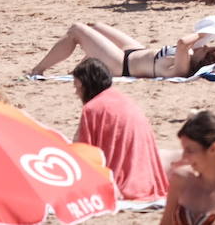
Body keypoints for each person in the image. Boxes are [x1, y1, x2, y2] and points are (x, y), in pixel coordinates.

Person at [71, 58, 169, 201]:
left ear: (84, 85)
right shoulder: (122, 99)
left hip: (123, 183)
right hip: (146, 177)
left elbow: (84, 152)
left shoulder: (93, 108)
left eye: (77, 86)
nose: (76, 93)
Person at [31, 16, 215, 77]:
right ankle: (80, 69)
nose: (208, 45)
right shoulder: (201, 53)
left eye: (208, 45)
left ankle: (37, 69)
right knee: (94, 26)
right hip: (135, 51)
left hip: (122, 64)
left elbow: (183, 43)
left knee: (77, 30)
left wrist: (205, 32)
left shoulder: (184, 66)